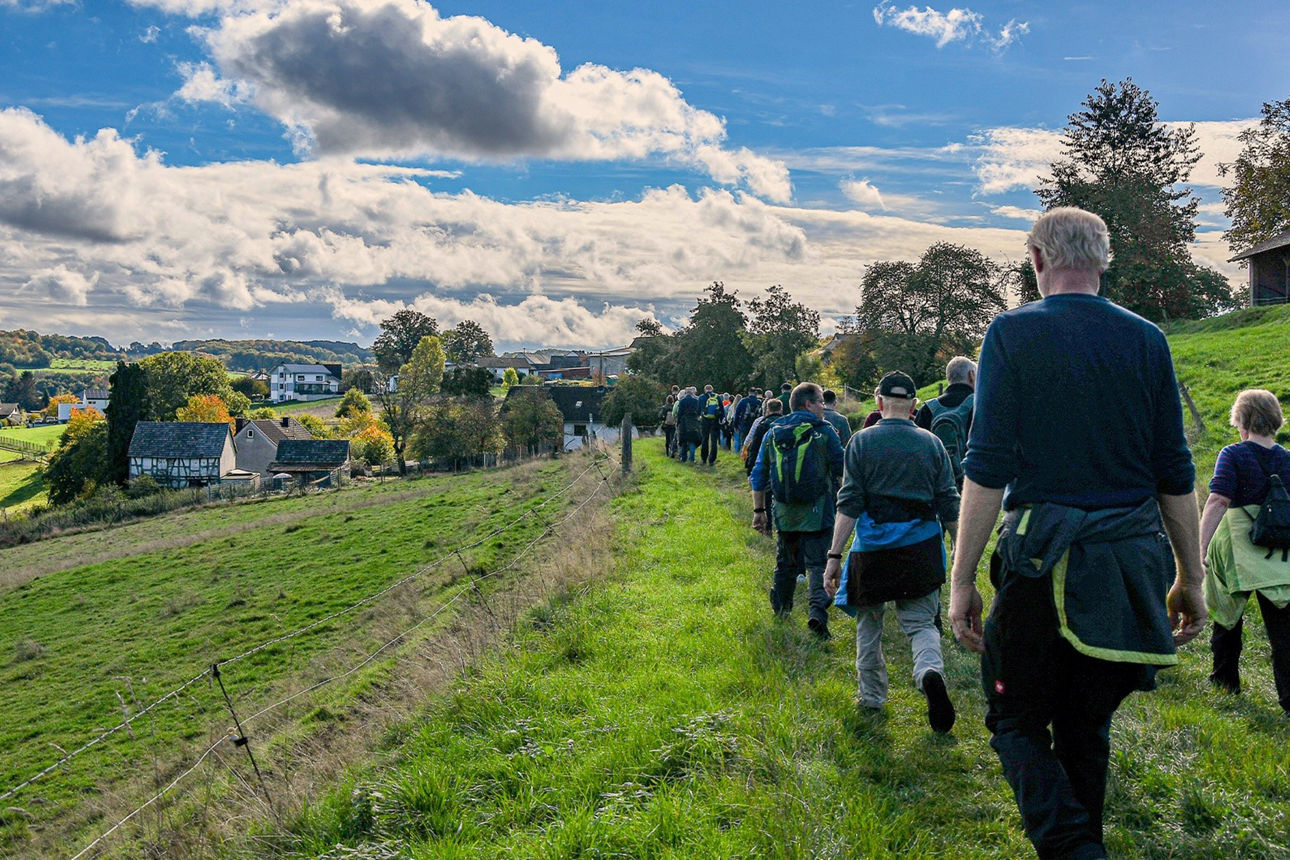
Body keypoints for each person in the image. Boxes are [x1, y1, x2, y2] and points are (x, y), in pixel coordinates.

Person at [947, 207, 1205, 860]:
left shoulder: (1011, 334)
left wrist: (961, 582)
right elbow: (1175, 474)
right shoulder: (1147, 339)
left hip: (1038, 568)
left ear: (1037, 260)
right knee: (1086, 729)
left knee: (1015, 722)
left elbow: (987, 470)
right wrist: (1189, 578)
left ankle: (1073, 850)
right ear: (1102, 261)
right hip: (1129, 571)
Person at [824, 371, 960, 732]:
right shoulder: (931, 444)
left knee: (869, 625)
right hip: (921, 550)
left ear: (879, 402)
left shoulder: (860, 442)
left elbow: (849, 502)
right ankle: (929, 671)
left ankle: (871, 697)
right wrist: (962, 552)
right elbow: (948, 502)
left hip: (873, 552)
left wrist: (834, 557)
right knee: (920, 626)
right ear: (915, 406)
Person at [1200, 389, 1290, 715]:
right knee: (1285, 632)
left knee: (1227, 619)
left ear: (1242, 420)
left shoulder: (1233, 454)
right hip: (1280, 554)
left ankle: (1225, 685)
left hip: (1237, 550)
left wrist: (1200, 547)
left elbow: (1218, 501)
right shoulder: (1288, 458)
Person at [750, 383, 845, 638]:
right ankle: (817, 615)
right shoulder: (825, 432)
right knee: (817, 564)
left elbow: (758, 473)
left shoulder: (773, 432)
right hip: (818, 509)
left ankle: (781, 609)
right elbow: (841, 469)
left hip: (783, 510)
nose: (823, 407)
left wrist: (759, 510)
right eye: (820, 403)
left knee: (786, 562)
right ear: (808, 404)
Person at [916, 357, 976, 489]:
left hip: (937, 487)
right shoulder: (979, 405)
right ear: (971, 375)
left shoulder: (927, 409)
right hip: (971, 484)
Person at [675, 386, 702, 463]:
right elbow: (699, 411)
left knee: (684, 440)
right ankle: (692, 458)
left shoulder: (682, 401)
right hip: (693, 422)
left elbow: (679, 413)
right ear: (692, 393)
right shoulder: (696, 401)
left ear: (686, 393)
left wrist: (678, 422)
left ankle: (683, 458)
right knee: (693, 440)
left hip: (684, 422)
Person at [732, 387, 763, 453]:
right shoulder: (759, 402)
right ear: (756, 393)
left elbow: (737, 413)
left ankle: (743, 456)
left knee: (744, 442)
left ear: (749, 393)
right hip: (755, 424)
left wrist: (735, 425)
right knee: (754, 442)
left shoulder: (743, 401)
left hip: (744, 424)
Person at [700, 384, 723, 465]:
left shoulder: (702, 397)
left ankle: (704, 458)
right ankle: (712, 459)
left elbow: (698, 409)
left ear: (705, 390)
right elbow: (722, 409)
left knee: (704, 439)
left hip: (705, 421)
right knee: (714, 441)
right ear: (712, 389)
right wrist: (721, 419)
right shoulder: (717, 397)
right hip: (715, 421)